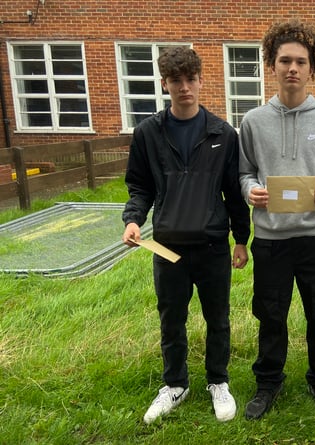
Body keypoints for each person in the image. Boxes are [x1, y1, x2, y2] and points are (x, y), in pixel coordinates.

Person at [121, 46, 250, 424]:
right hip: (166, 245)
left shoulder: (223, 134)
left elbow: (233, 189)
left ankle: (218, 381)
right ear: (165, 83)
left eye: (190, 79)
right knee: (171, 318)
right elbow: (139, 186)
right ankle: (175, 383)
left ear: (200, 80)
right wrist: (133, 219)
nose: (184, 87)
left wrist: (241, 239)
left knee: (218, 318)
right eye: (176, 80)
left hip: (212, 245)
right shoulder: (148, 133)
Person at [238, 19, 315, 420]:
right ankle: (268, 382)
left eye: (301, 61)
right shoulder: (253, 121)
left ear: (313, 67)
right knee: (270, 313)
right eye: (285, 60)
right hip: (270, 237)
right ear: (273, 64)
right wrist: (251, 191)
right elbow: (244, 171)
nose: (292, 69)